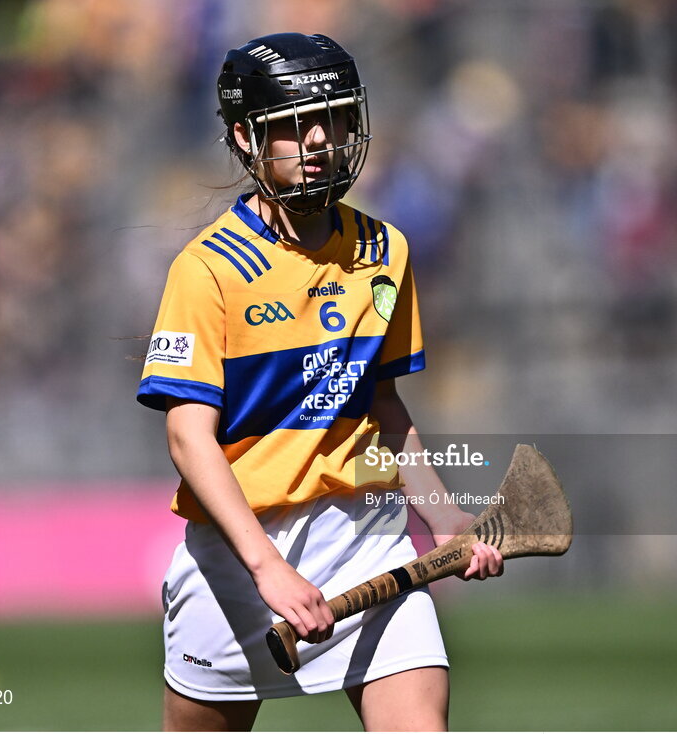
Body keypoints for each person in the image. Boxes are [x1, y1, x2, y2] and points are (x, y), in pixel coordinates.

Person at [137, 33, 502, 731]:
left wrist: (444, 515)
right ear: (246, 138)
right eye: (292, 126)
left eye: (331, 119)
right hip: (241, 556)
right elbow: (188, 438)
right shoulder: (207, 270)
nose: (317, 141)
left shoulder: (384, 250)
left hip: (369, 540)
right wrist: (267, 567)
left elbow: (383, 408)